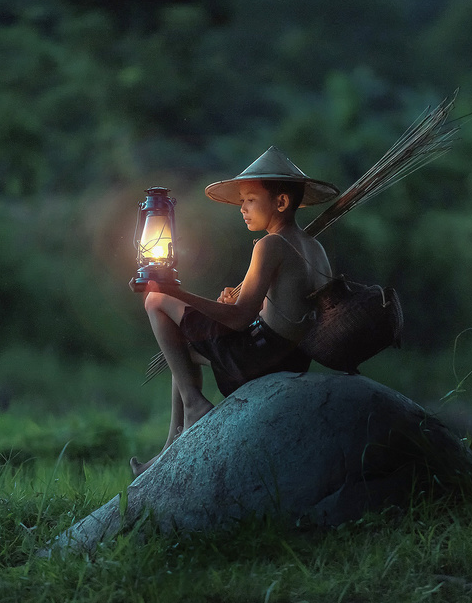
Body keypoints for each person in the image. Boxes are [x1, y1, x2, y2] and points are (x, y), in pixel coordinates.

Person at [130, 146, 338, 477]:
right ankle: (171, 445)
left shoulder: (270, 245)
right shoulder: (315, 247)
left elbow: (240, 318)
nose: (242, 208)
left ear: (281, 203)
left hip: (260, 358)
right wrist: (223, 305)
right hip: (291, 356)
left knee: (154, 300)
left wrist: (174, 292)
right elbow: (284, 312)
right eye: (242, 200)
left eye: (250, 200)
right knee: (179, 355)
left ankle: (195, 406)